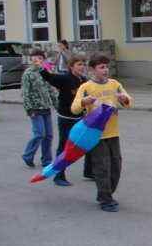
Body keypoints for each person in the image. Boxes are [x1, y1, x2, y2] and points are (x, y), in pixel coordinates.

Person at [71, 52, 133, 212]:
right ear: (92, 70)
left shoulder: (114, 84)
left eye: (107, 67)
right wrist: (84, 101)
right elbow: (74, 108)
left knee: (116, 166)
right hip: (96, 135)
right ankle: (106, 200)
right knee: (102, 167)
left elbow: (129, 101)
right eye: (101, 67)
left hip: (113, 133)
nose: (105, 70)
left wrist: (124, 99)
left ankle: (106, 194)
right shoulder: (86, 87)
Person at [39, 53, 94, 186]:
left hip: (81, 118)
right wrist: (41, 68)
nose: (82, 67)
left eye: (84, 64)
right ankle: (59, 176)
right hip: (66, 119)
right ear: (71, 66)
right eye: (79, 64)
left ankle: (89, 171)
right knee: (64, 148)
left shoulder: (84, 81)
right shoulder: (64, 79)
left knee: (88, 144)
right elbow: (49, 77)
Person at [21, 49, 58, 169]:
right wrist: (29, 108)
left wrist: (58, 105)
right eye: (34, 59)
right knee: (40, 134)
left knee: (49, 135)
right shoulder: (28, 73)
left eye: (40, 58)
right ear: (31, 60)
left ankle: (46, 159)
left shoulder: (45, 72)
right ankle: (27, 155)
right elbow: (25, 92)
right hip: (35, 108)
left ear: (43, 60)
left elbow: (51, 90)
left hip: (46, 107)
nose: (37, 61)